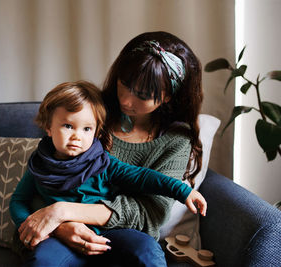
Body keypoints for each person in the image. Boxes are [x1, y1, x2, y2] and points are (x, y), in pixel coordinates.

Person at [15, 31, 204, 259]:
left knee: (147, 255)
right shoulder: (89, 113)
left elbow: (149, 207)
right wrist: (60, 226)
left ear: (167, 97)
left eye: (142, 95)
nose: (125, 100)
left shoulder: (175, 141)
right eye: (124, 84)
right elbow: (37, 189)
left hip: (124, 239)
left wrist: (63, 211)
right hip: (57, 236)